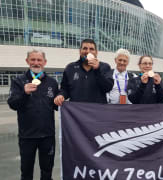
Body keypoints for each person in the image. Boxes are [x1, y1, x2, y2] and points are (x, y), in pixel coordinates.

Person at [7, 50, 59, 180]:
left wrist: (62, 101)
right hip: (27, 136)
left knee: (47, 171)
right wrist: (24, 93)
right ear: (27, 61)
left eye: (39, 60)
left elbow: (56, 105)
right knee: (26, 171)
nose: (36, 63)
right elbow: (12, 104)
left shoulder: (52, 82)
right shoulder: (19, 81)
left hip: (47, 135)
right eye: (33, 60)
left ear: (44, 62)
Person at [54, 39, 113, 105]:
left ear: (96, 52)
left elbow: (108, 88)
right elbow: (64, 89)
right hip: (76, 112)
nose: (88, 51)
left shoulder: (105, 67)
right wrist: (61, 95)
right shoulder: (70, 68)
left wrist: (97, 70)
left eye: (91, 49)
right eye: (85, 48)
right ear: (80, 51)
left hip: (97, 112)